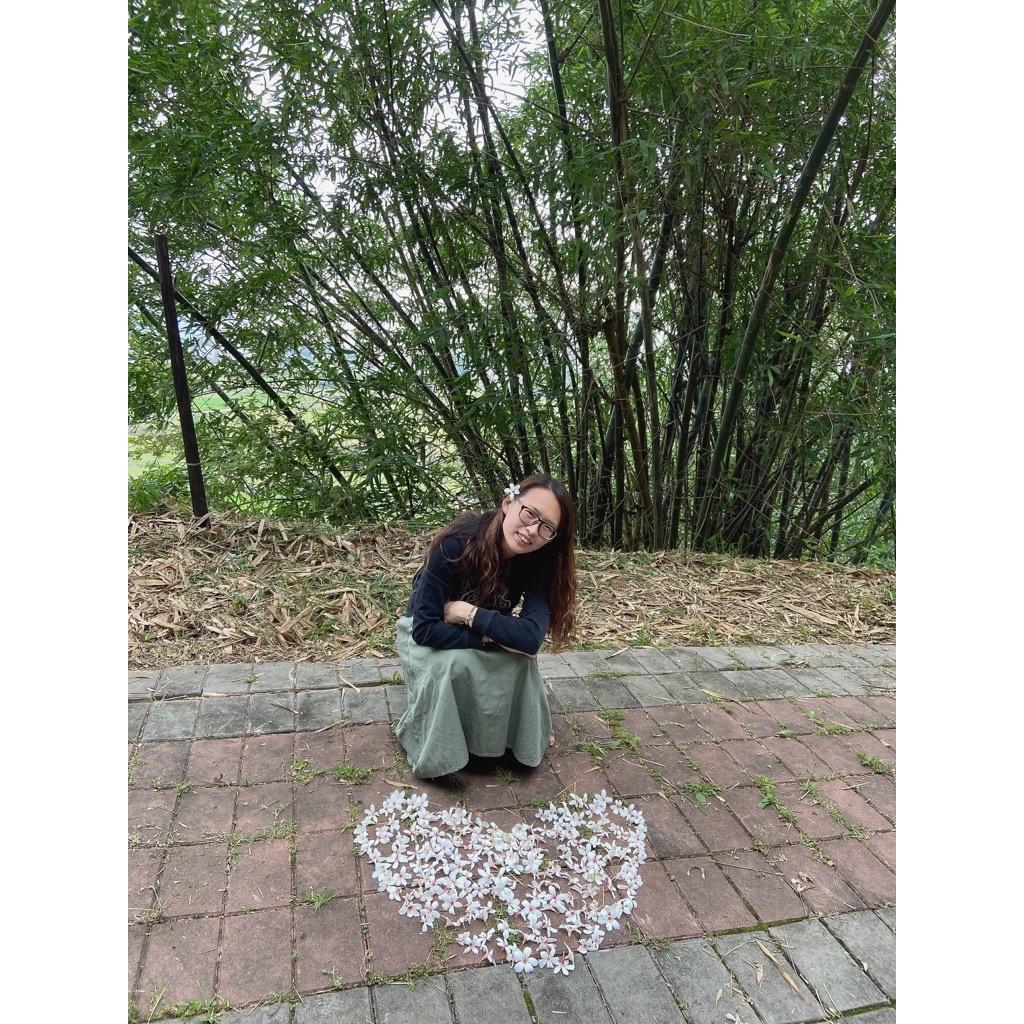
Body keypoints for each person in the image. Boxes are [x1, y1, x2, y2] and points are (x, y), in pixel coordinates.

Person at [394, 473, 578, 779]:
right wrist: (492, 637)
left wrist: (469, 614)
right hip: (426, 633)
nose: (532, 531)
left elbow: (531, 639)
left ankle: (508, 741)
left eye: (546, 528)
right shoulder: (456, 543)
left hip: (473, 628)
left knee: (521, 661)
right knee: (455, 663)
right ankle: (442, 749)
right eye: (530, 514)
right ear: (508, 503)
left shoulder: (538, 562)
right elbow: (425, 629)